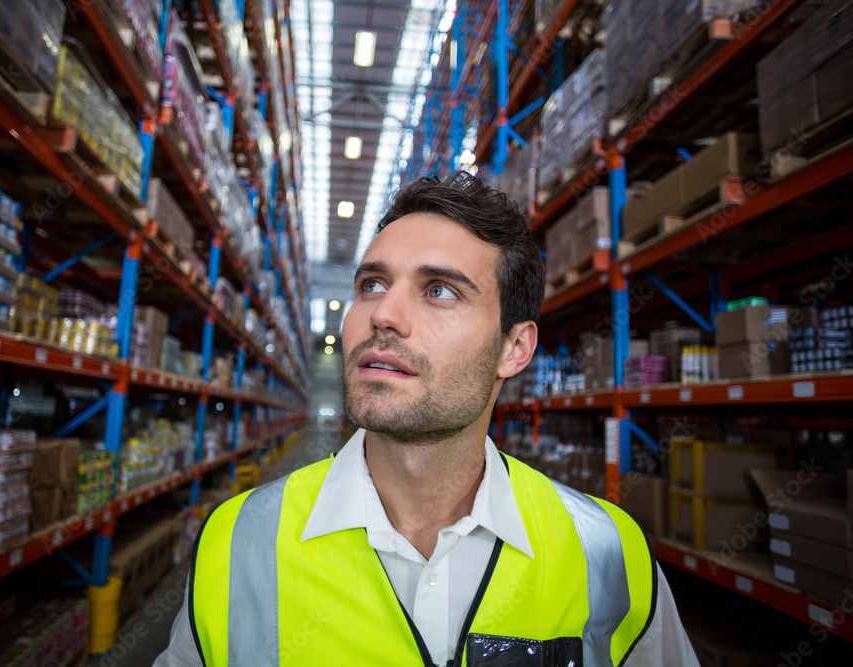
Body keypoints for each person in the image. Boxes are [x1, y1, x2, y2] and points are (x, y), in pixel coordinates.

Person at [155, 171, 699, 666]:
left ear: (514, 348)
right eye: (372, 285)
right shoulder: (238, 540)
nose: (383, 315)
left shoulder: (607, 553)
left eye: (439, 290)